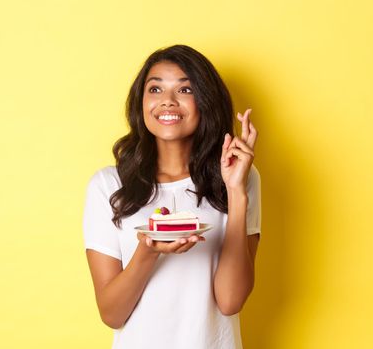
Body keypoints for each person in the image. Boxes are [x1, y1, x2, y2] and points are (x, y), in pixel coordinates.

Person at [83, 44, 261, 349]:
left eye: (185, 90)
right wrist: (148, 252)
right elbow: (112, 314)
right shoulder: (109, 185)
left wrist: (236, 191)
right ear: (141, 102)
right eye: (155, 89)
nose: (167, 101)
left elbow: (230, 301)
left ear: (205, 101)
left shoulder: (239, 176)